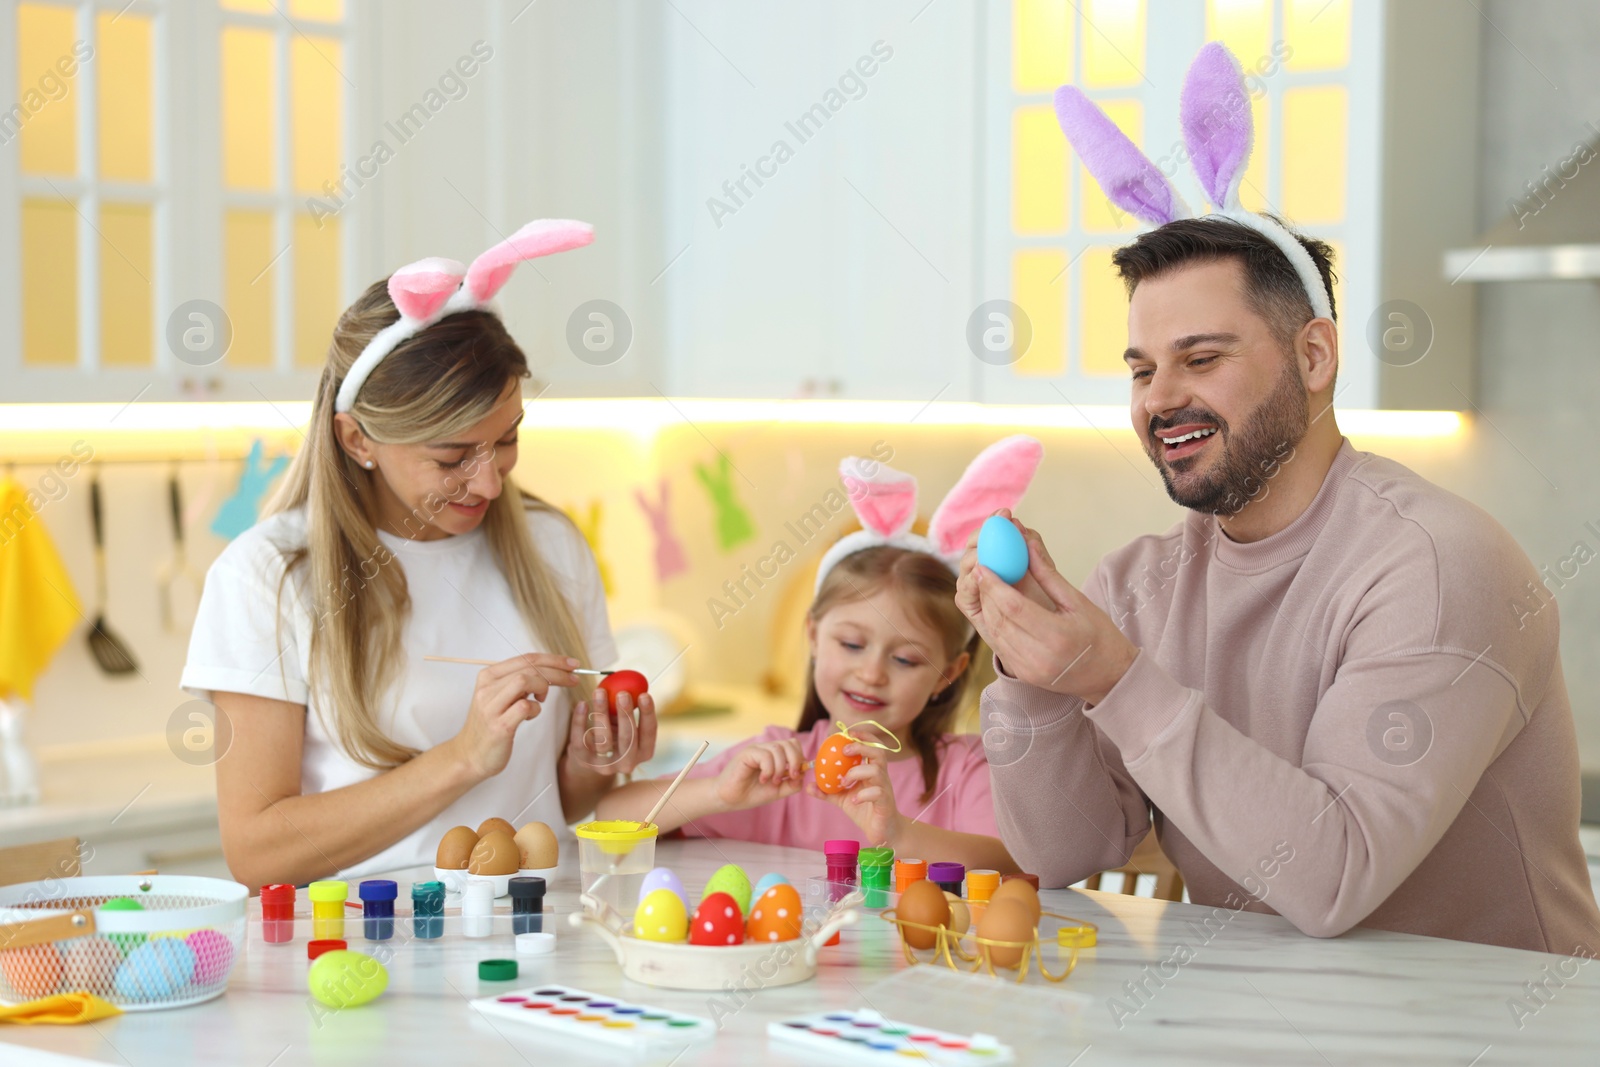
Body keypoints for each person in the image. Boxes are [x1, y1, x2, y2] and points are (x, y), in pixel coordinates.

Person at [960, 45, 1600, 953]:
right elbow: (1064, 852)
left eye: (1203, 357)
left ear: (1315, 357)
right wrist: (1037, 678)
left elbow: (1332, 876)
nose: (1160, 397)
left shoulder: (1434, 564)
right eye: (1142, 368)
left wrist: (1113, 678)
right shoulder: (1141, 582)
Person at [180, 221, 657, 887]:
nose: (491, 482)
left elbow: (557, 805)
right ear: (356, 440)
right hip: (362, 952)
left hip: (537, 932)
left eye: (507, 440)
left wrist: (590, 763)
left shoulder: (552, 547)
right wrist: (462, 756)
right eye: (452, 456)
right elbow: (258, 853)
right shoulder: (268, 576)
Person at [599, 439, 1045, 873]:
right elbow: (611, 816)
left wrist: (897, 834)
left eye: (905, 660)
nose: (871, 674)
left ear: (948, 673)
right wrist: (719, 793)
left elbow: (1013, 862)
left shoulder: (965, 769)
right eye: (851, 645)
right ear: (813, 635)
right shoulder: (774, 764)